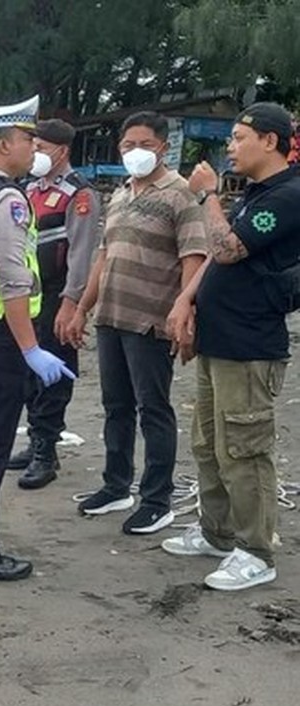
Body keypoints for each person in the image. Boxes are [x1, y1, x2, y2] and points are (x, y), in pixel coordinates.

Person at [163, 103, 300, 590]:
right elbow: (217, 266)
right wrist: (185, 299)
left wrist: (207, 196)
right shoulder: (258, 194)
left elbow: (226, 248)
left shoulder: (288, 195)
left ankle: (256, 551)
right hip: (218, 340)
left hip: (250, 345)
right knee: (208, 444)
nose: (230, 146)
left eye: (240, 137)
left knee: (245, 449)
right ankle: (217, 532)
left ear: (270, 141)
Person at [65, 111, 208, 535]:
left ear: (163, 146)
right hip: (112, 315)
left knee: (154, 409)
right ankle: (116, 485)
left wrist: (185, 312)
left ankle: (157, 499)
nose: (135, 152)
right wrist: (81, 308)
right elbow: (105, 256)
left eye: (144, 144)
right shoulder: (121, 194)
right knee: (116, 407)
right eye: (128, 145)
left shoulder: (180, 194)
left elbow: (193, 259)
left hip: (151, 320)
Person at [0, 96, 75, 582]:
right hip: (0, 337)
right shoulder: (8, 199)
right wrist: (30, 347)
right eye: (28, 138)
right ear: (5, 144)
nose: (34, 147)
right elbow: (12, 280)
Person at [7, 119, 101, 489]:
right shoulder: (28, 189)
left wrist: (71, 303)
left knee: (52, 371)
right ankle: (34, 441)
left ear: (61, 151)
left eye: (41, 148)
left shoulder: (79, 194)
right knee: (27, 370)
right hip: (27, 293)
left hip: (57, 293)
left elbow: (81, 253)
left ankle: (47, 449)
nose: (35, 153)